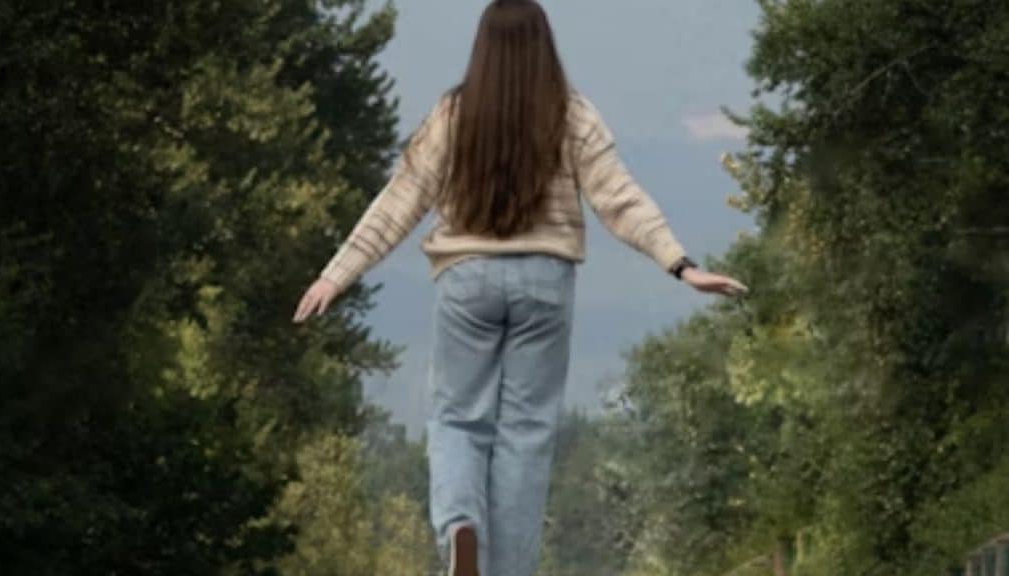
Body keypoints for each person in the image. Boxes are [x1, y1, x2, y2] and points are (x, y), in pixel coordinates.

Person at [292, 0, 748, 573]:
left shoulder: (454, 114)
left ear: (481, 51)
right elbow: (619, 197)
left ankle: (461, 527)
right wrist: (680, 264)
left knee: (458, 418)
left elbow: (401, 200)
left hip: (467, 280)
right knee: (525, 433)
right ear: (544, 47)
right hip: (545, 282)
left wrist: (337, 272)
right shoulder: (571, 114)